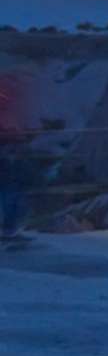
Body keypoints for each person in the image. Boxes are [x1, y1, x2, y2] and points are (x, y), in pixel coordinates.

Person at [0, 66, 37, 246]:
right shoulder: (7, 97)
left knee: (14, 189)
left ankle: (10, 229)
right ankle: (8, 229)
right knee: (10, 189)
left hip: (13, 147)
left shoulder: (15, 102)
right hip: (7, 147)